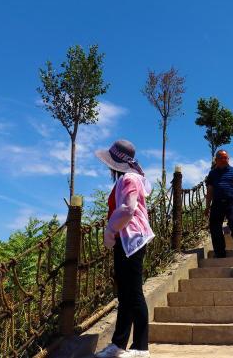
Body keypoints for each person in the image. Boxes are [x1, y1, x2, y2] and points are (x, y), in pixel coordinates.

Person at [95, 140, 154, 358]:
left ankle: (141, 347)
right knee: (126, 294)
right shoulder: (132, 178)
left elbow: (129, 208)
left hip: (131, 239)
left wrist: (110, 230)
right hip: (129, 238)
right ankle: (119, 343)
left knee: (134, 292)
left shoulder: (129, 178)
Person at [205, 150, 233, 258]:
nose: (224, 160)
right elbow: (210, 190)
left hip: (231, 203)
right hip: (217, 204)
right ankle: (220, 252)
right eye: (222, 158)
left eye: (226, 158)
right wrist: (207, 206)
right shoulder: (212, 173)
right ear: (216, 160)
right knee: (215, 228)